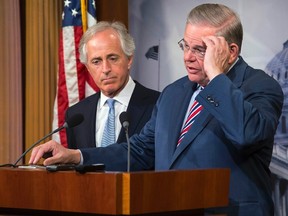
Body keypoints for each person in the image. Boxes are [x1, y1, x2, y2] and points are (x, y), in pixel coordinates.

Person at [29, 3, 283, 216]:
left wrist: (216, 76)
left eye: (201, 49)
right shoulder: (174, 93)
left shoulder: (261, 86)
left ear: (230, 52)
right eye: (185, 45)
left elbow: (246, 133)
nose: (188, 57)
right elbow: (140, 150)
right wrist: (76, 156)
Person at [63, 21, 160, 149]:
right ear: (87, 68)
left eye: (113, 58)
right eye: (96, 61)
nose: (105, 69)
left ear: (129, 59)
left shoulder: (158, 104)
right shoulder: (76, 115)